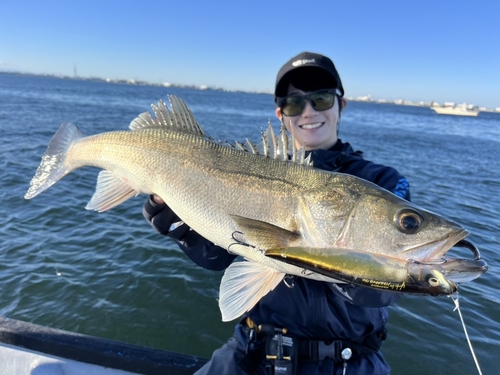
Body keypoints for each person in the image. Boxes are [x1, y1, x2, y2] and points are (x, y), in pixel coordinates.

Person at [143, 51, 411, 375]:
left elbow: (378, 292)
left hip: (349, 362)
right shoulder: (250, 169)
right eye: (294, 103)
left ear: (342, 104)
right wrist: (184, 231)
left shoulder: (382, 183)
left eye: (322, 98)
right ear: (280, 114)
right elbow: (219, 256)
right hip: (250, 350)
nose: (308, 112)